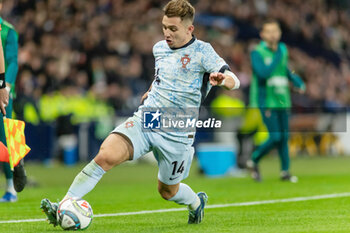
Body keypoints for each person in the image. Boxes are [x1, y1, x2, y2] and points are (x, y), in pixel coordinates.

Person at [41, 0, 240, 226]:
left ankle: (196, 203)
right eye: (164, 27)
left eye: (173, 29)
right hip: (150, 118)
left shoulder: (203, 52)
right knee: (105, 155)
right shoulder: (159, 48)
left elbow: (235, 80)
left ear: (189, 29)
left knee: (167, 191)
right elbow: (163, 77)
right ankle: (64, 204)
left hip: (178, 132)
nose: (167, 33)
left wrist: (224, 80)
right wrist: (150, 91)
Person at [247, 19, 305, 182]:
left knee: (284, 137)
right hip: (266, 100)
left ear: (279, 33)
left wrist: (296, 80)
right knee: (276, 136)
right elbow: (263, 73)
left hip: (282, 99)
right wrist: (277, 55)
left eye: (275, 31)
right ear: (262, 34)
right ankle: (254, 159)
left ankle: (285, 171)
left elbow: (285, 69)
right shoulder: (257, 52)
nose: (273, 35)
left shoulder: (282, 49)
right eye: (269, 31)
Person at [0, 0, 26, 203]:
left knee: (6, 134)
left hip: (3, 92)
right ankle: (17, 156)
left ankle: (11, 186)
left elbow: (12, 62)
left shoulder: (8, 31)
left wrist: (5, 87)